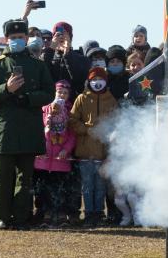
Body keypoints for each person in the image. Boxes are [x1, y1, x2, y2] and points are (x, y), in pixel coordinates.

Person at [0, 19, 54, 230]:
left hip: (29, 128)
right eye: (12, 38)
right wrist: (6, 88)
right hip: (5, 130)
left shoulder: (38, 65)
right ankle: (3, 217)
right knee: (3, 177)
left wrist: (28, 98)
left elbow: (49, 93)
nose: (16, 41)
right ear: (7, 39)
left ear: (26, 38)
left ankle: (22, 217)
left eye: (20, 38)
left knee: (25, 178)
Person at [70, 66, 118, 226]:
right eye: (94, 80)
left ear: (106, 82)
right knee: (87, 185)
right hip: (85, 152)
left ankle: (99, 213)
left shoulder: (111, 100)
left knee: (100, 186)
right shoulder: (81, 99)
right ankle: (88, 213)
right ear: (89, 81)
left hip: (103, 153)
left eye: (101, 80)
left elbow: (117, 123)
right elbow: (72, 120)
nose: (97, 83)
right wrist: (86, 130)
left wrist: (108, 134)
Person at [34, 81, 77, 227]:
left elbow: (72, 135)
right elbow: (39, 130)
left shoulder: (71, 111)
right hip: (44, 157)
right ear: (55, 93)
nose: (62, 95)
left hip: (61, 158)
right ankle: (45, 213)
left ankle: (60, 214)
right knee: (43, 187)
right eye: (60, 92)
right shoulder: (45, 109)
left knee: (60, 187)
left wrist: (66, 149)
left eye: (65, 93)